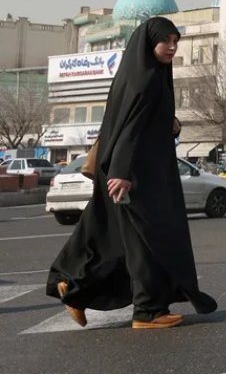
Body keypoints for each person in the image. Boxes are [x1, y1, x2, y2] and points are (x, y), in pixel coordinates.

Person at [46, 17, 217, 330]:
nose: (172, 47)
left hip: (134, 172)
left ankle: (73, 288)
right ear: (149, 42)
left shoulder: (138, 74)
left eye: (176, 41)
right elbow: (130, 128)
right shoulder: (147, 79)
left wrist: (172, 124)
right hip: (139, 177)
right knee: (149, 243)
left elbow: (140, 122)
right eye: (166, 40)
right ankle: (148, 312)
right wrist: (122, 171)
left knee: (114, 240)